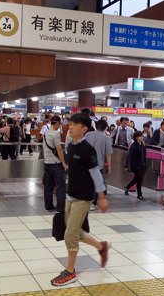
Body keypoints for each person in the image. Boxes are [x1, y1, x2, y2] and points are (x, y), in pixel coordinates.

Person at [50, 113, 109, 287]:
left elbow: (96, 174)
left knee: (70, 235)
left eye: (74, 124)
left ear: (83, 129)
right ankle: (101, 247)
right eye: (70, 123)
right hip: (70, 195)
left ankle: (70, 271)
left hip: (82, 198)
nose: (70, 126)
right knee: (74, 231)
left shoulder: (87, 149)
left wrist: (102, 197)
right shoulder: (70, 146)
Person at [86, 120, 113, 211]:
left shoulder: (88, 135)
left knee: (87, 183)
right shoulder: (106, 138)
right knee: (96, 184)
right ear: (105, 128)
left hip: (86, 164)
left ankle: (85, 202)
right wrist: (109, 167)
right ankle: (93, 203)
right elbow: (108, 154)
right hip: (98, 165)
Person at [42, 116, 67, 212]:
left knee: (48, 187)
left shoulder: (46, 133)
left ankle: (48, 206)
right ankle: (60, 208)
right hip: (56, 164)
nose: (59, 126)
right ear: (56, 123)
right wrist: (64, 163)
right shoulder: (55, 134)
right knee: (60, 187)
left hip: (47, 163)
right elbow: (59, 149)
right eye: (60, 124)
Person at [124, 131, 147, 200]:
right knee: (139, 179)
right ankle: (139, 195)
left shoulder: (143, 145)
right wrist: (126, 165)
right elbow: (129, 155)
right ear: (136, 138)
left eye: (142, 136)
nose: (142, 137)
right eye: (140, 136)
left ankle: (127, 187)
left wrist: (145, 160)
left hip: (141, 164)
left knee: (136, 179)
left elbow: (144, 154)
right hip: (135, 164)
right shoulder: (134, 145)